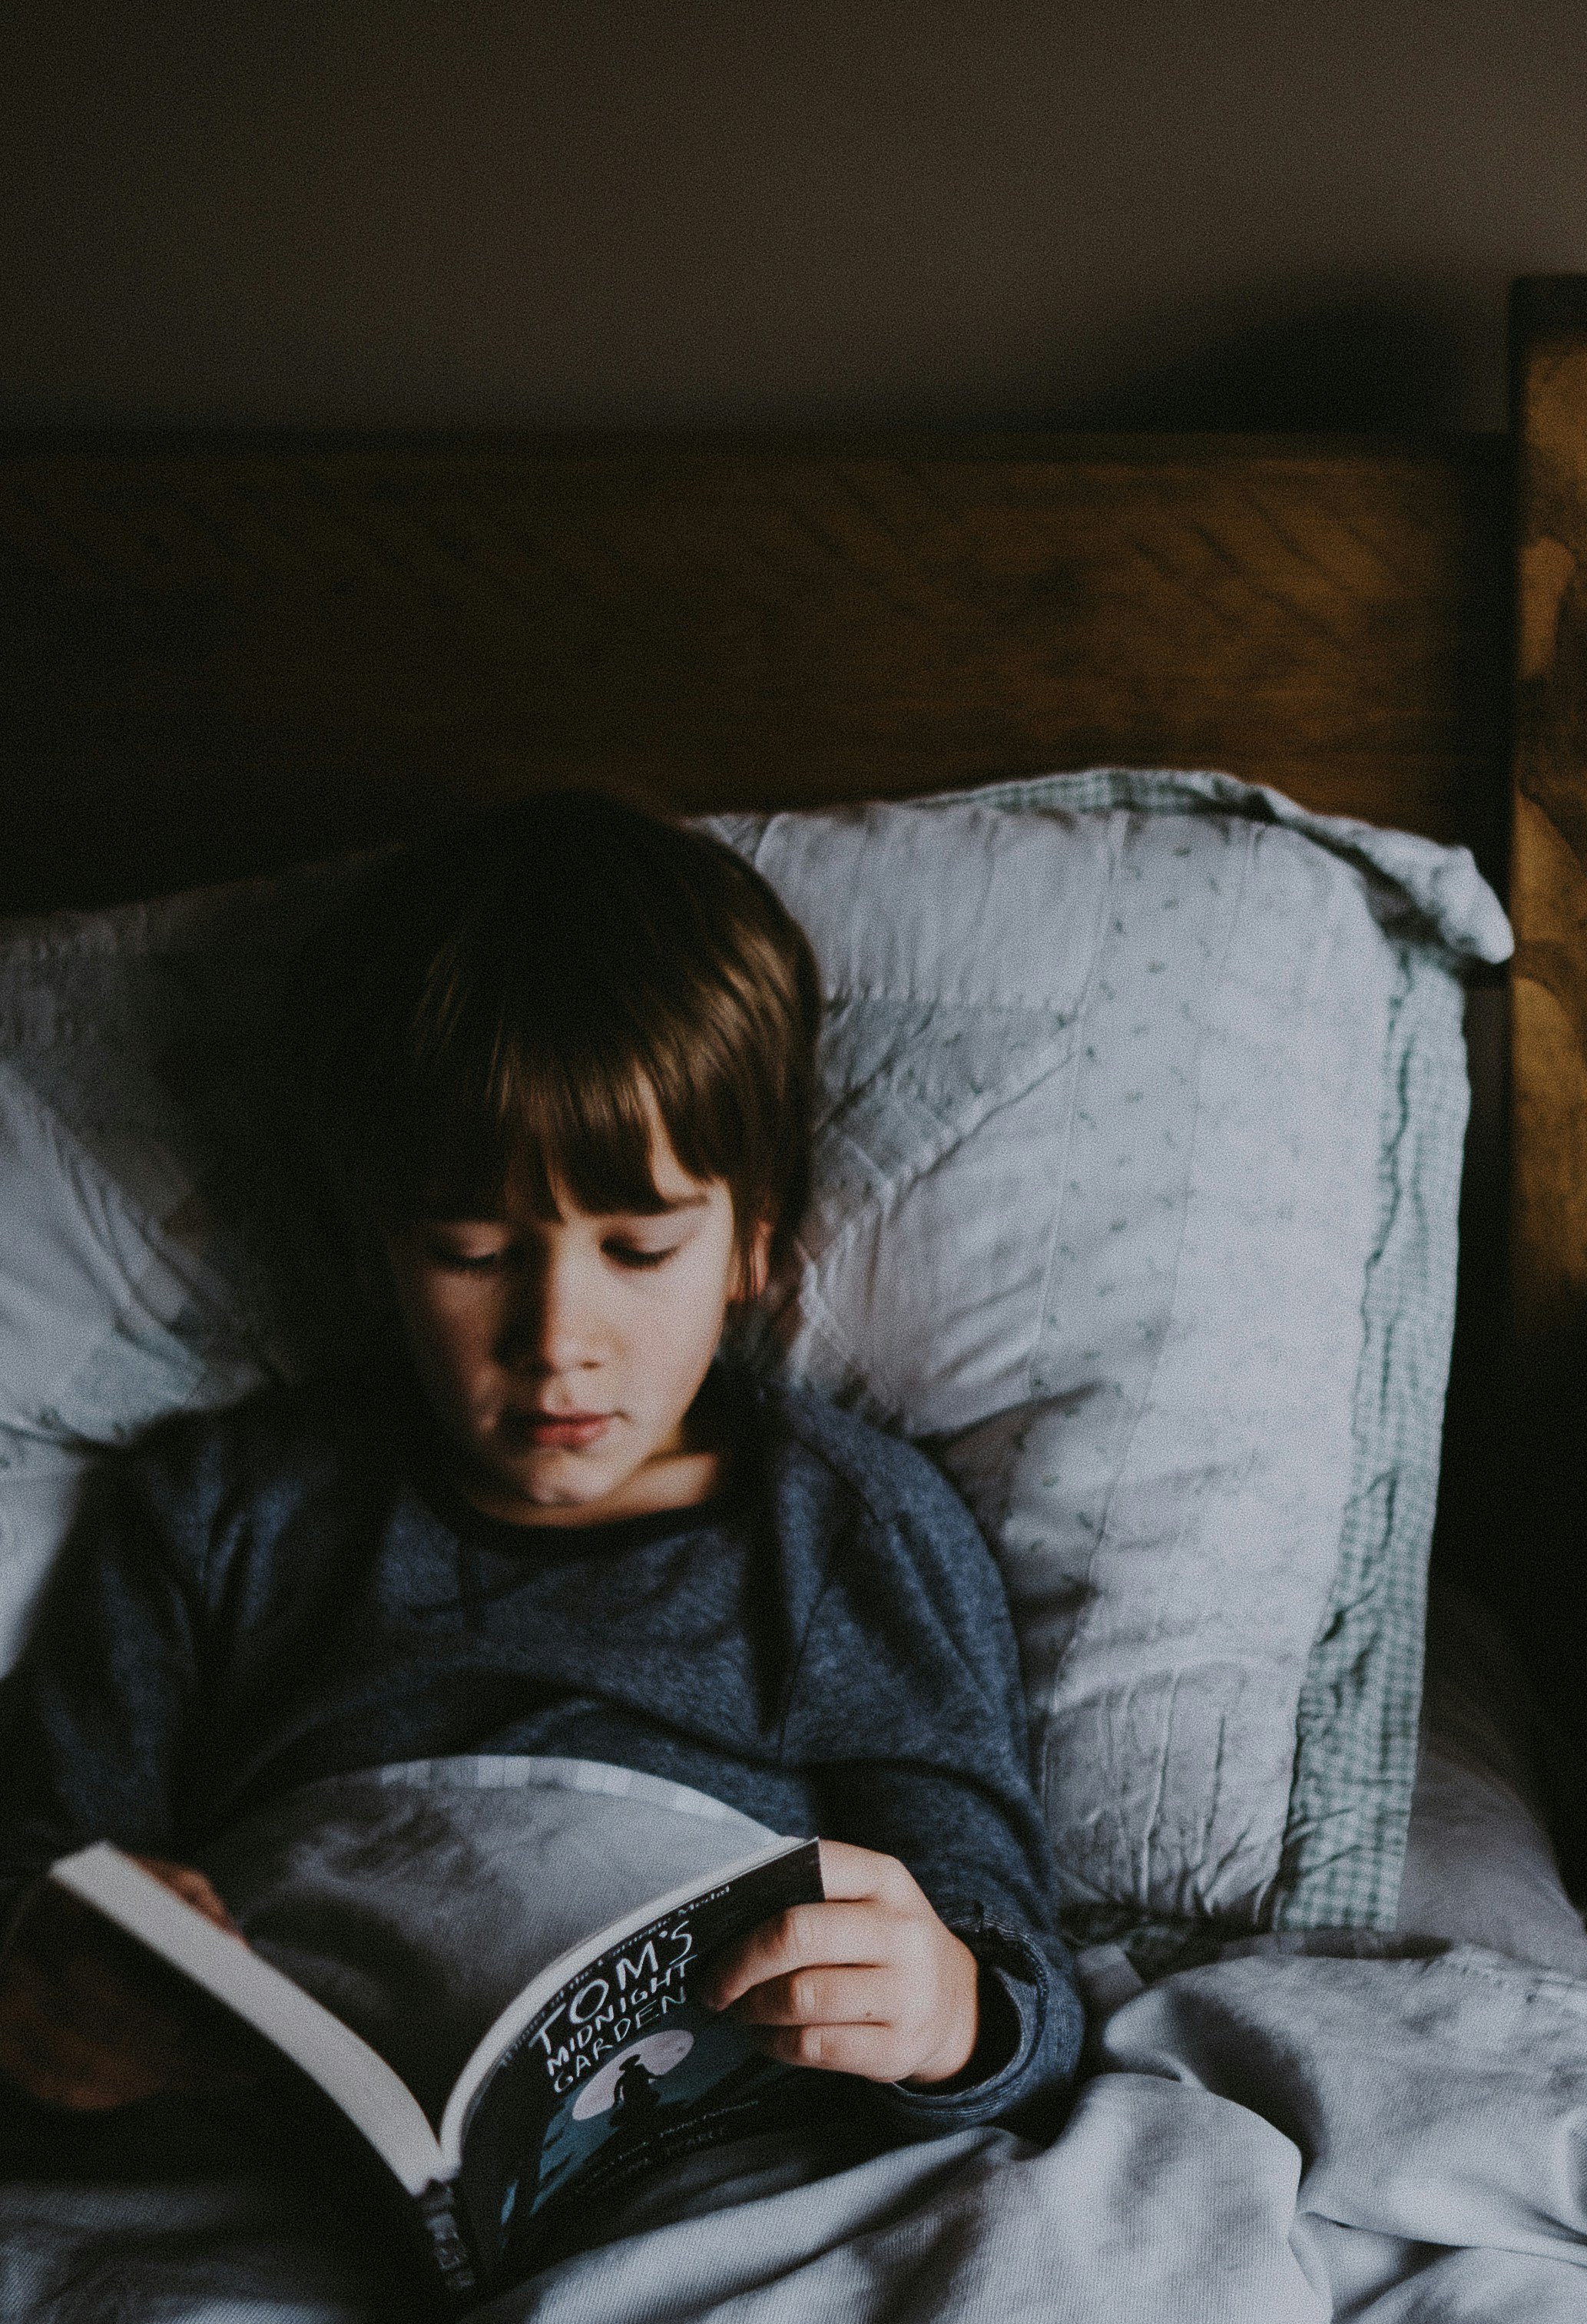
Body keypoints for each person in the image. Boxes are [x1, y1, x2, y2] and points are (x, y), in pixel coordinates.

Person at [0, 793, 1084, 2150]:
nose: (558, 1342)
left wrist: (949, 2016)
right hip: (285, 2160)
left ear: (755, 1243)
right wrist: (54, 1996)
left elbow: (1003, 1941)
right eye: (471, 1252)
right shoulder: (219, 1517)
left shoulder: (842, 1532)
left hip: (715, 2158)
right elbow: (49, 1873)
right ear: (374, 1246)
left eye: (639, 1250)